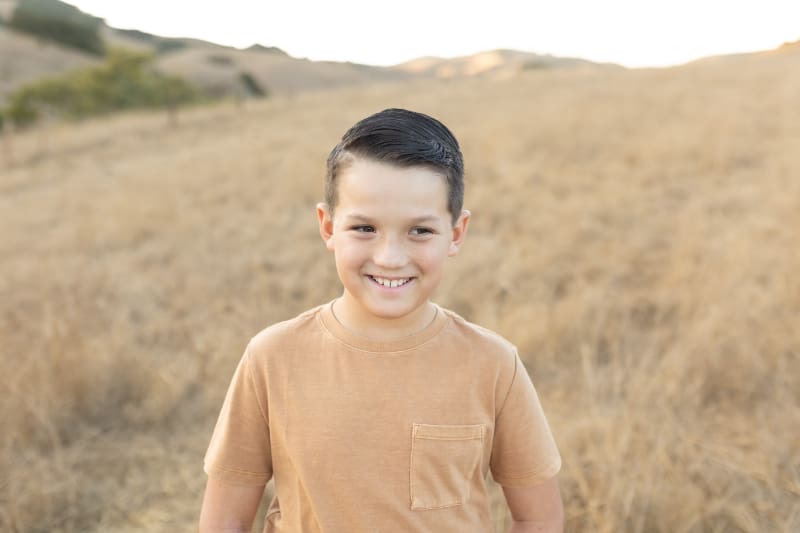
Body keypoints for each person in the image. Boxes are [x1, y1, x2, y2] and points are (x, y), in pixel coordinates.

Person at [199, 108, 564, 532]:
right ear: (328, 226)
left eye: (420, 231)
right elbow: (225, 519)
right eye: (365, 228)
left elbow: (538, 515)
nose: (390, 258)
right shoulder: (273, 356)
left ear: (457, 233)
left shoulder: (494, 364)